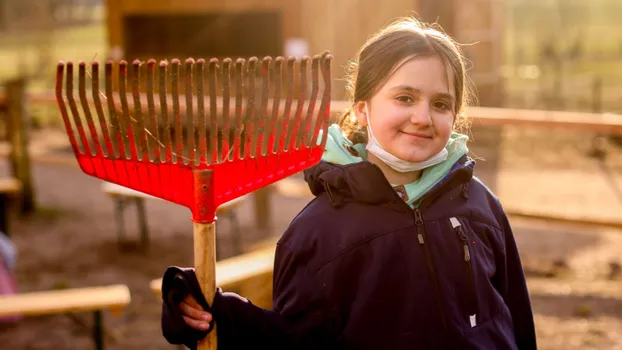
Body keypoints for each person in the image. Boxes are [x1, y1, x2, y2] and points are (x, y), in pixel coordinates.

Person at [160, 17, 537, 350]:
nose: (422, 117)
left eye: (441, 104)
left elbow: (517, 321)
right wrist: (216, 315)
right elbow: (296, 341)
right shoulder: (318, 231)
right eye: (405, 97)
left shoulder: (480, 207)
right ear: (362, 109)